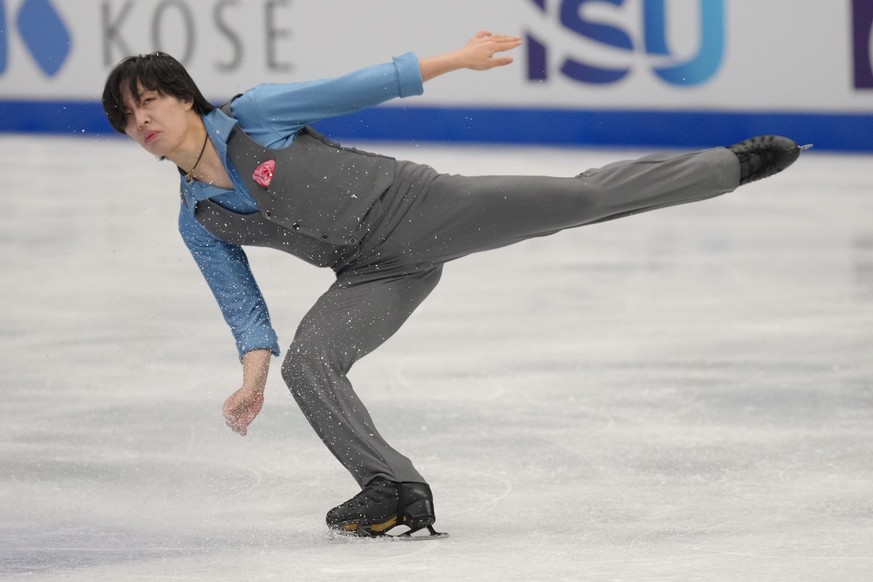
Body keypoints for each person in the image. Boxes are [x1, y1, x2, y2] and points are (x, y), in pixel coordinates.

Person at [101, 31, 803, 538]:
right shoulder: (202, 218)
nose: (143, 124)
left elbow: (359, 86)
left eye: (151, 103)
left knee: (579, 200)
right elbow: (245, 311)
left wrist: (454, 60)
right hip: (375, 273)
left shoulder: (257, 114)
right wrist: (252, 382)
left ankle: (727, 166)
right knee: (309, 364)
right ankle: (391, 487)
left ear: (186, 98)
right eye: (129, 121)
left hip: (423, 206)